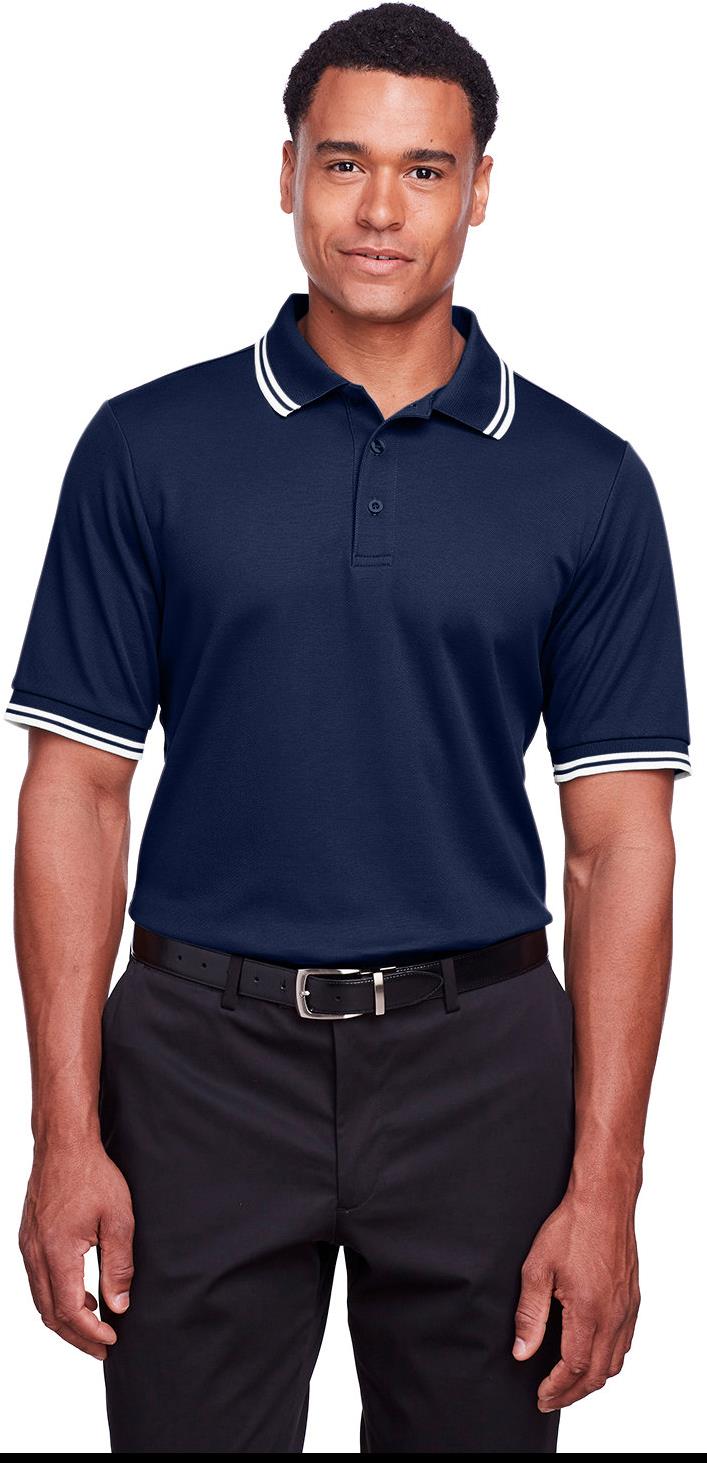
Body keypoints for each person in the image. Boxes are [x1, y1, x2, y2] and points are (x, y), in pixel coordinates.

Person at [5, 2, 692, 1454]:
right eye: (345, 163)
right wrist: (64, 1134)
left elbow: (620, 847)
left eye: (425, 170)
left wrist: (607, 1188)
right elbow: (75, 792)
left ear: (481, 190)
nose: (382, 209)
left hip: (483, 1067)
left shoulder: (590, 482)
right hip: (195, 1064)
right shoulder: (145, 449)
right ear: (287, 174)